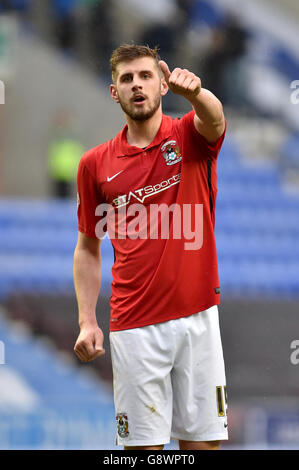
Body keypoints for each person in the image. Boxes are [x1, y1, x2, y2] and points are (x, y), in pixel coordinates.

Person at [73, 43, 228, 450]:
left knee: (204, 447)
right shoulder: (94, 164)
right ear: (114, 93)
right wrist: (87, 320)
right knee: (144, 453)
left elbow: (214, 120)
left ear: (162, 84)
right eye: (127, 79)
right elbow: (88, 246)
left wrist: (196, 93)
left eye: (145, 76)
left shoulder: (188, 136)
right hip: (134, 326)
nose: (136, 85)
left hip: (198, 318)